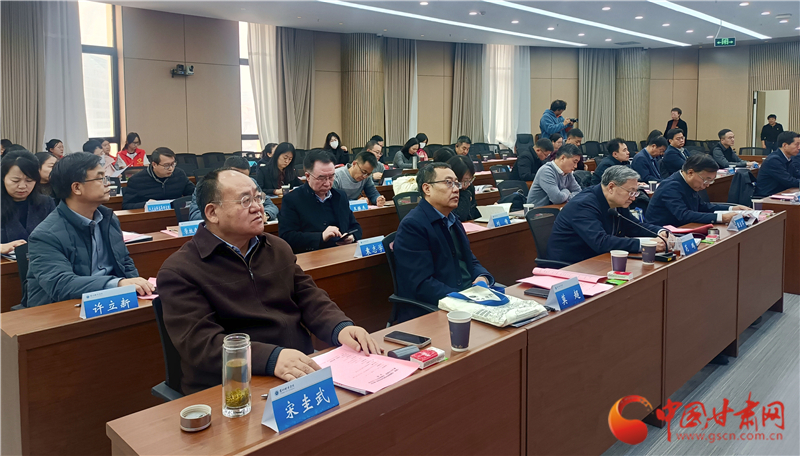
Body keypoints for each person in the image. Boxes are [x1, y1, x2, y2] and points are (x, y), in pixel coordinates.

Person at [157, 168, 381, 394]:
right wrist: (272, 358)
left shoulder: (277, 247)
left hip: (296, 367)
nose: (258, 207)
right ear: (212, 212)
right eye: (245, 201)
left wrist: (340, 327)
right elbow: (201, 344)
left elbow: (310, 297)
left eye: (258, 197)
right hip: (232, 385)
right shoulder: (180, 270)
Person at [24, 153, 154, 308]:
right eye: (100, 178)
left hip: (108, 300)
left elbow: (124, 261)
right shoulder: (45, 235)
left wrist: (139, 288)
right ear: (77, 188)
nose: (108, 183)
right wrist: (118, 283)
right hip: (63, 308)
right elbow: (61, 284)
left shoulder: (108, 218)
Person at [393, 162, 494, 321]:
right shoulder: (413, 226)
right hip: (438, 308)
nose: (456, 189)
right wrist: (462, 298)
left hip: (468, 298)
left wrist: (483, 277)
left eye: (456, 183)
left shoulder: (453, 220)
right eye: (448, 183)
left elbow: (469, 260)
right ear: (427, 189)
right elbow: (421, 284)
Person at [547, 166, 670, 265]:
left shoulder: (617, 202)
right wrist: (646, 244)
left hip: (597, 260)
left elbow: (633, 226)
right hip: (571, 265)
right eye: (630, 192)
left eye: (635, 192)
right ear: (611, 187)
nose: (633, 198)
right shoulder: (583, 205)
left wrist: (660, 232)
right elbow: (601, 242)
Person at [279, 150, 362, 253]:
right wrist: (321, 237)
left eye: (331, 177)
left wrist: (352, 236)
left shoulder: (340, 196)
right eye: (321, 178)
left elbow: (355, 227)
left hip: (341, 253)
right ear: (308, 176)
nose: (327, 183)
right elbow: (287, 237)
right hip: (311, 256)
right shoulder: (292, 200)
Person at [646, 155, 750, 228]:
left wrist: (732, 208)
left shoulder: (688, 183)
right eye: (706, 180)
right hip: (663, 234)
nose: (708, 185)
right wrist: (721, 218)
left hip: (684, 228)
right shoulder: (670, 186)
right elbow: (684, 215)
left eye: (711, 181)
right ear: (691, 173)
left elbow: (702, 206)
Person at [188, 156, 278, 222]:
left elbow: (271, 206)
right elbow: (194, 215)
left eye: (245, 177)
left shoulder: (251, 183)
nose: (241, 180)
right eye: (237, 175)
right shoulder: (209, 184)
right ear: (225, 171)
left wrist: (266, 214)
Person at [1, 151, 56, 254]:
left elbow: (57, 236)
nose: (22, 186)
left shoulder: (46, 203)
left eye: (29, 181)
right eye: (15, 181)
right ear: (3, 178)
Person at [121, 147, 195, 209]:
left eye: (173, 164)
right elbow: (127, 206)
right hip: (149, 217)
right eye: (166, 165)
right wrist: (145, 204)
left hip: (176, 214)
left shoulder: (179, 174)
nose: (171, 169)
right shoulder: (137, 180)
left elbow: (194, 194)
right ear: (154, 164)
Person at [755, 131, 800, 197]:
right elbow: (789, 181)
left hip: (781, 194)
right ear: (785, 145)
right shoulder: (774, 160)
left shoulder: (788, 158)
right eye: (797, 144)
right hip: (767, 197)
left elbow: (796, 175)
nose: (799, 148)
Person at [448, 155, 481, 222]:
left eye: (470, 180)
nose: (468, 184)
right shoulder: (448, 190)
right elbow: (459, 216)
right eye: (465, 181)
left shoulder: (469, 187)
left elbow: (473, 211)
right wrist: (465, 194)